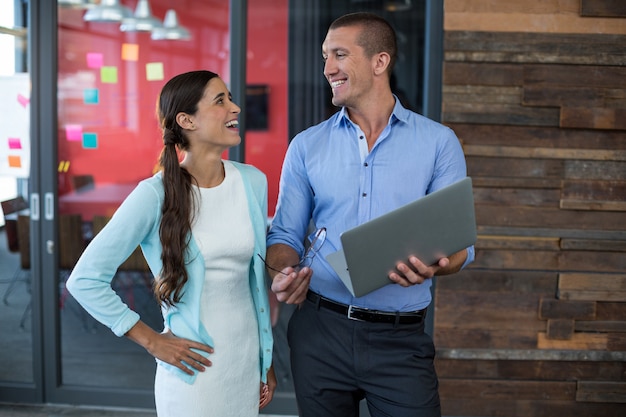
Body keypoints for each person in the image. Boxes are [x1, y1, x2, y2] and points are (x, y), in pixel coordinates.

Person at [265, 12, 475, 417]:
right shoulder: (306, 146)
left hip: (400, 341)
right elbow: (285, 237)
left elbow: (462, 246)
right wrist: (282, 274)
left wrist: (437, 266)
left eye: (340, 54)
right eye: (325, 56)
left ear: (380, 62)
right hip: (319, 333)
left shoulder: (439, 143)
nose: (327, 68)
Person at [67, 70, 276, 417]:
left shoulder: (253, 182)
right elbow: (85, 279)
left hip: (245, 368)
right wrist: (152, 341)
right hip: (194, 376)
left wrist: (265, 360)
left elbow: (254, 288)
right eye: (220, 100)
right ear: (186, 120)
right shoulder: (155, 193)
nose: (235, 108)